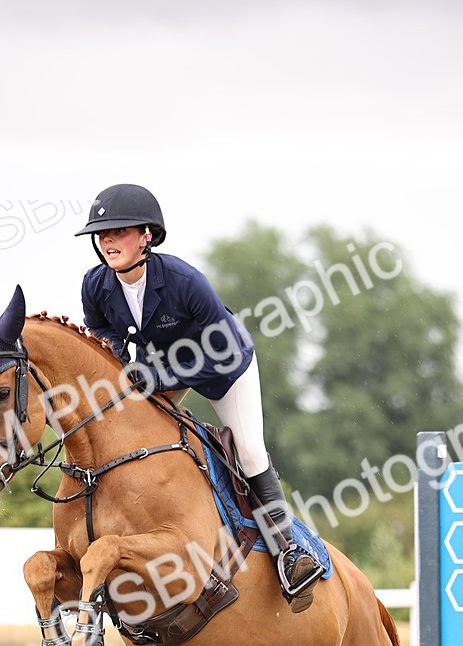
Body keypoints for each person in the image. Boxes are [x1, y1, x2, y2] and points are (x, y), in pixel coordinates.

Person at [75, 183, 323, 612]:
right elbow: (101, 328)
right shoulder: (96, 285)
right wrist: (114, 352)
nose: (107, 241)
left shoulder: (184, 282)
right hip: (159, 368)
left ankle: (290, 552)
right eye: (102, 234)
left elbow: (221, 349)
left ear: (147, 236)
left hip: (225, 365)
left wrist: (157, 375)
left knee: (248, 449)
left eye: (119, 231)